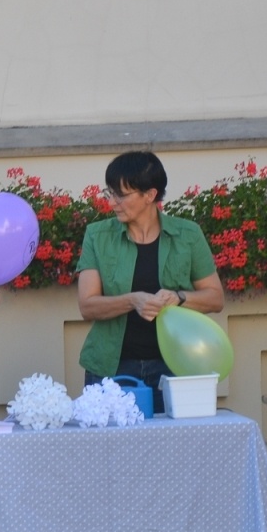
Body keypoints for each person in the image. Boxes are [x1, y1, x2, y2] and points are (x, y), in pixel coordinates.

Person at [77, 150, 225, 392]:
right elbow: (87, 306)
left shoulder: (187, 234)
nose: (111, 202)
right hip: (111, 367)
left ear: (150, 195)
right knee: (111, 432)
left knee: (175, 432)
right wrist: (133, 300)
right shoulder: (98, 235)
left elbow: (215, 298)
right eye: (110, 193)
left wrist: (179, 298)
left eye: (121, 195)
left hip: (176, 365)